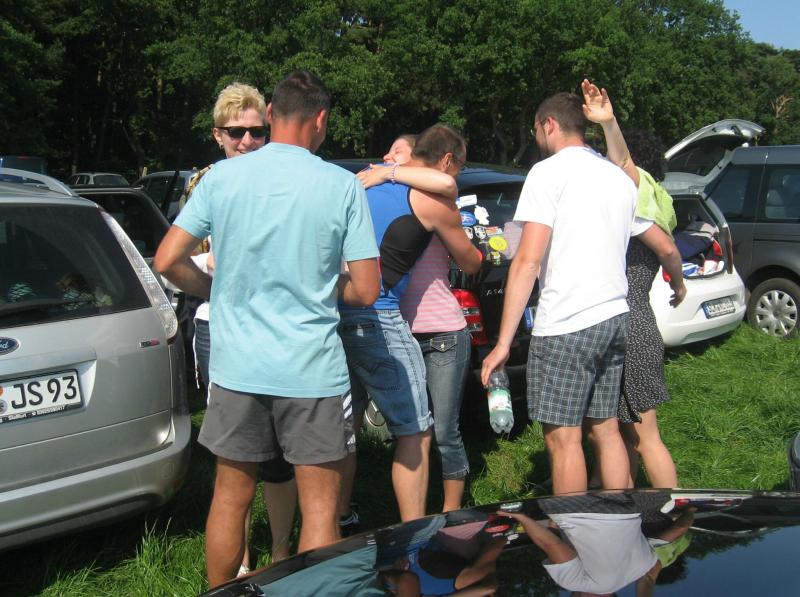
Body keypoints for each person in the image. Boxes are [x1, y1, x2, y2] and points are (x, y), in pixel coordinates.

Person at [154, 70, 380, 587]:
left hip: (237, 367)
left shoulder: (221, 179)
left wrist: (212, 288)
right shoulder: (341, 185)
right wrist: (322, 286)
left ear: (272, 114)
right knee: (319, 510)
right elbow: (367, 289)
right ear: (321, 120)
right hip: (311, 370)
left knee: (230, 498)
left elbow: (167, 260)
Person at [481, 92, 650, 495]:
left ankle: (573, 528)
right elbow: (628, 169)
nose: (537, 137)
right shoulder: (618, 176)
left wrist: (503, 343)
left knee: (564, 440)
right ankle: (618, 518)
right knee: (606, 429)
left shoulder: (547, 173)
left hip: (566, 323)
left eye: (536, 130)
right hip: (614, 315)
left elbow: (527, 261)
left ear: (549, 124)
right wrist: (610, 123)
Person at [339, 124, 483, 522]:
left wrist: (385, 171)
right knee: (416, 430)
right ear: (447, 161)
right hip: (380, 313)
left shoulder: (362, 186)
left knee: (344, 426)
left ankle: (337, 518)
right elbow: (471, 262)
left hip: (336, 308)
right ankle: (414, 533)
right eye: (460, 167)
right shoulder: (429, 198)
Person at [187, 82, 299, 574]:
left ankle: (282, 552)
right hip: (220, 328)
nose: (248, 141)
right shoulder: (205, 185)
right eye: (236, 132)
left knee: (280, 454)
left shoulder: (283, 180)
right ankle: (240, 567)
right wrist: (216, 277)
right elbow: (179, 257)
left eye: (257, 131)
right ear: (218, 135)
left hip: (279, 327)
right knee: (235, 458)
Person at [581, 80, 686, 489]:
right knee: (619, 434)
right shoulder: (660, 198)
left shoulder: (636, 192)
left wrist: (608, 123)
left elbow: (668, 249)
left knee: (644, 437)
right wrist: (676, 283)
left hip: (630, 324)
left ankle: (677, 515)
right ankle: (625, 510)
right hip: (637, 320)